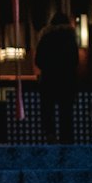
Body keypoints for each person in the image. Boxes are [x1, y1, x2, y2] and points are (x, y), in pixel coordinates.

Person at [33, 11, 79, 144]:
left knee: (48, 110)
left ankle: (50, 135)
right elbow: (75, 60)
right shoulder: (70, 38)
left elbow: (38, 60)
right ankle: (67, 139)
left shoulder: (46, 37)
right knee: (66, 112)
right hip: (67, 79)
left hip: (49, 79)